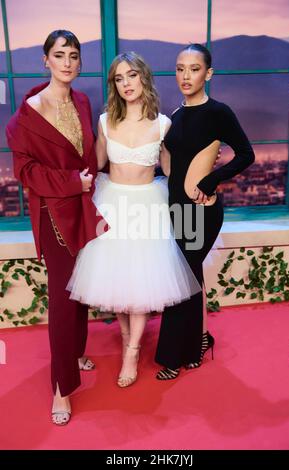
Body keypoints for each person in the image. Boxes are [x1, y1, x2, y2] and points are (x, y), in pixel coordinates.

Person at [67, 51, 201, 388]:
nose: (127, 83)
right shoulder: (104, 121)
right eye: (119, 78)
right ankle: (126, 333)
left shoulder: (163, 123)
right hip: (112, 203)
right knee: (117, 277)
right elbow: (96, 163)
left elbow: (172, 170)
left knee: (141, 279)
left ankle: (132, 350)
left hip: (148, 206)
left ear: (144, 77)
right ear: (114, 84)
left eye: (132, 75)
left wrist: (203, 182)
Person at [6, 30, 108, 425]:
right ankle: (60, 389)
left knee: (81, 291)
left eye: (74, 56)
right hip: (54, 215)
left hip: (84, 208)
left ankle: (77, 352)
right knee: (64, 300)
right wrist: (72, 184)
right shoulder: (25, 117)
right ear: (45, 60)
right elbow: (26, 173)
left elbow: (90, 152)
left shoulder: (82, 100)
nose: (68, 62)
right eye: (60, 55)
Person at [155, 43, 255, 380]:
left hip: (203, 208)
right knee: (189, 273)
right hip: (178, 207)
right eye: (180, 68)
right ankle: (199, 340)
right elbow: (172, 168)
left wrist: (213, 179)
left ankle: (172, 356)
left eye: (194, 69)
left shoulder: (219, 112)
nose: (186, 75)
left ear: (208, 73)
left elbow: (246, 154)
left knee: (181, 273)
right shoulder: (175, 117)